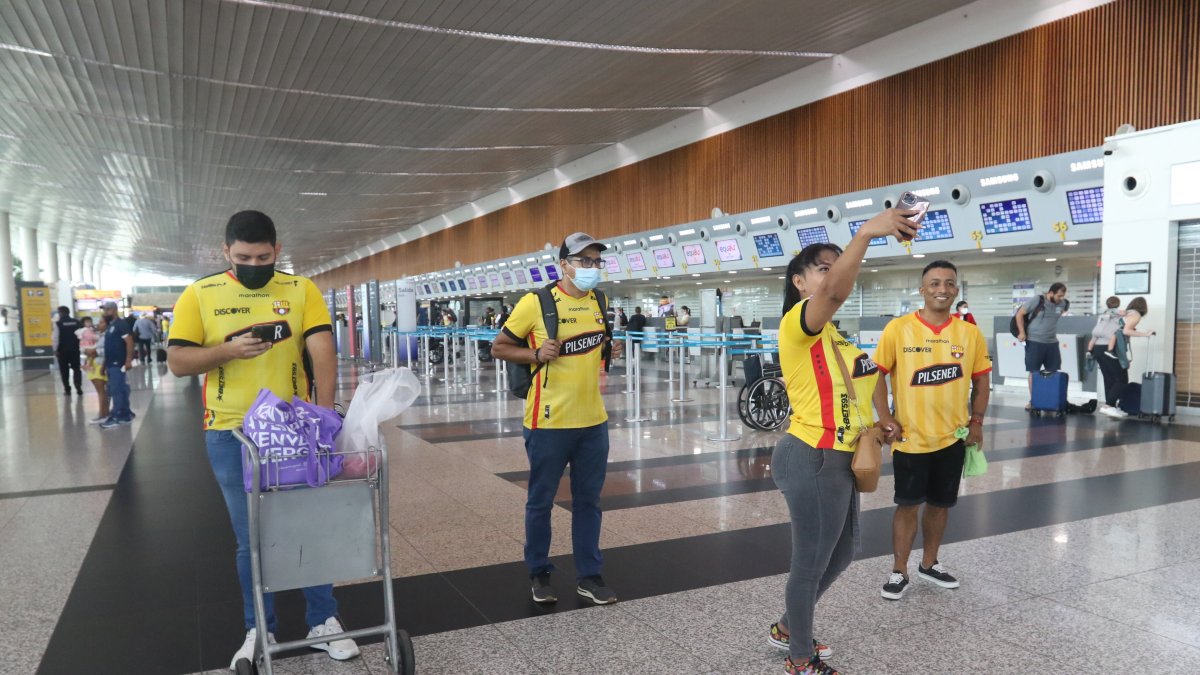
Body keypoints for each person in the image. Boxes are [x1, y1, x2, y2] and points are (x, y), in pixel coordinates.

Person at [166, 210, 358, 669]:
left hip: (293, 428)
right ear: (225, 252)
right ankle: (259, 628)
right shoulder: (200, 294)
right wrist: (227, 351)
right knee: (249, 537)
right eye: (243, 257)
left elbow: (322, 349)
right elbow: (177, 361)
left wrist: (325, 415)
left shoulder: (299, 289)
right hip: (230, 432)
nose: (254, 264)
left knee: (307, 524)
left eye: (263, 256)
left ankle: (323, 620)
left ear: (278, 251)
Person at [768, 208, 919, 675]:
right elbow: (835, 291)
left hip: (842, 457)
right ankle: (799, 658)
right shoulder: (800, 324)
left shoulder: (835, 335)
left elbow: (868, 372)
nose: (833, 274)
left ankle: (788, 625)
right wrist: (867, 233)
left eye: (839, 263)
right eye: (822, 266)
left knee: (845, 550)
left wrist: (883, 420)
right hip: (810, 455)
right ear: (799, 281)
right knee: (809, 563)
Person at [490, 232, 624, 607]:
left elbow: (593, 351)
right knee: (541, 501)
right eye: (584, 261)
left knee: (588, 501)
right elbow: (499, 347)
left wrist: (608, 349)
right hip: (547, 421)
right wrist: (534, 353)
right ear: (563, 265)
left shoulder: (600, 300)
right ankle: (539, 572)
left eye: (597, 262)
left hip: (592, 420)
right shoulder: (536, 303)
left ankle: (589, 575)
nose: (592, 268)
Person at [872, 260, 991, 601]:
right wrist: (884, 417)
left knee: (940, 505)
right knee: (907, 505)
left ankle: (929, 563)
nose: (942, 289)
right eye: (935, 283)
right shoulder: (898, 329)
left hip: (952, 438)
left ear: (956, 290)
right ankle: (899, 570)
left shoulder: (969, 333)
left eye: (949, 283)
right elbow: (877, 374)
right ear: (922, 290)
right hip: (910, 438)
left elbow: (982, 382)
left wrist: (977, 421)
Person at [1013, 282, 1068, 409]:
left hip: (1052, 343)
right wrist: (1021, 332)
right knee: (1034, 372)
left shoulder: (1063, 304)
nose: (1061, 298)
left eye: (1063, 296)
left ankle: (1050, 400)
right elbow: (1019, 314)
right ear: (1051, 293)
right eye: (1059, 296)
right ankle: (1034, 401)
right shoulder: (1037, 300)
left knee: (1053, 372)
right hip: (1035, 341)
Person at [98, 301, 135, 429]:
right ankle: (125, 414)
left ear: (114, 310)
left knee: (116, 390)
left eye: (107, 310)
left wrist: (128, 360)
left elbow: (129, 342)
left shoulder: (121, 324)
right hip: (110, 363)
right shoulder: (110, 326)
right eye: (104, 310)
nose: (105, 312)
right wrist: (104, 365)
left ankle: (116, 416)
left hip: (118, 362)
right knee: (120, 388)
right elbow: (109, 347)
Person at [1088, 296, 1127, 417]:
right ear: (1117, 305)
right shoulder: (1117, 315)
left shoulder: (1102, 317)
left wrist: (1089, 351)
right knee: (1121, 379)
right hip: (1108, 348)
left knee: (1108, 378)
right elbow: (1124, 313)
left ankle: (1111, 406)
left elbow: (1093, 338)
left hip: (1097, 349)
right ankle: (1108, 405)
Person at [51, 306, 84, 396]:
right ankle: (78, 387)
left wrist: (55, 350)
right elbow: (82, 335)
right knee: (76, 368)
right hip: (75, 349)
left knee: (64, 370)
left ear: (61, 313)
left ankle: (67, 389)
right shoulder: (76, 322)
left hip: (62, 351)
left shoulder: (58, 324)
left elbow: (55, 338)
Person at [85, 316, 110, 424]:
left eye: (101, 322)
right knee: (101, 391)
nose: (98, 325)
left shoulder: (107, 336)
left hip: (100, 364)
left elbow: (107, 351)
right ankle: (104, 414)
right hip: (95, 363)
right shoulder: (100, 336)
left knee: (101, 392)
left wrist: (93, 352)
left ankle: (103, 415)